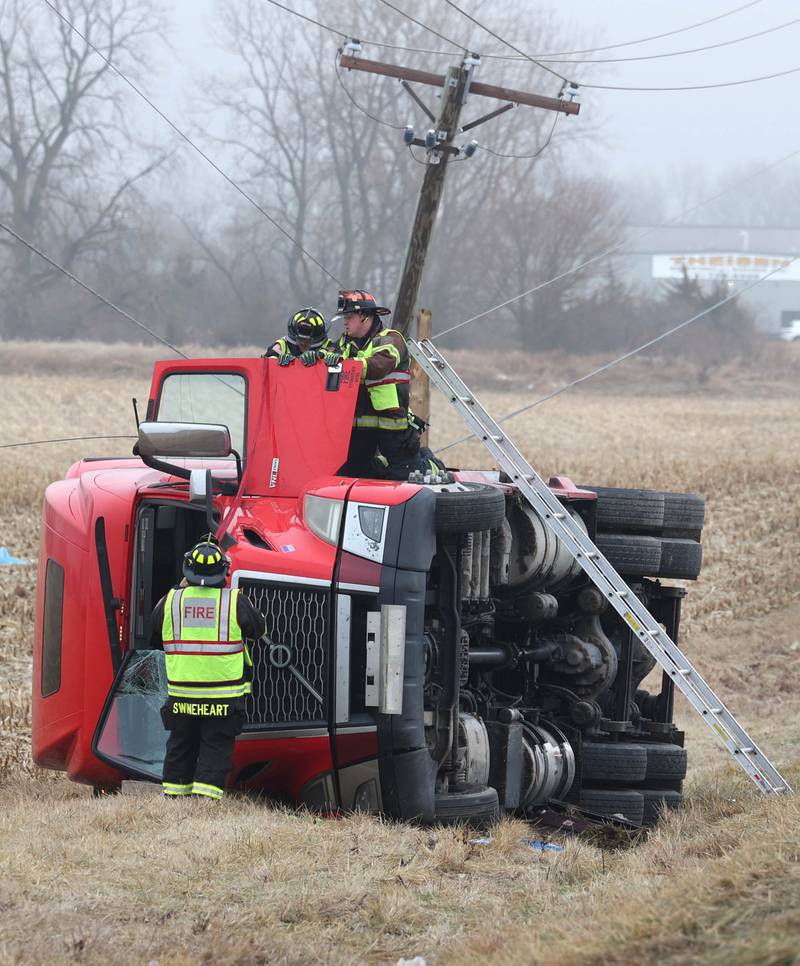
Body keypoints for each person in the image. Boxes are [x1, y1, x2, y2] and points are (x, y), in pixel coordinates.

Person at [150, 539, 266, 801]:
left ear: (186, 572)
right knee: (215, 749)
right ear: (224, 571)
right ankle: (204, 800)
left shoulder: (170, 602)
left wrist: (180, 589)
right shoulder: (234, 602)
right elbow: (259, 630)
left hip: (182, 696)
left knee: (180, 746)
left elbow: (156, 626)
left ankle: (174, 797)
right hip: (223, 698)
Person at [334, 289, 424, 480]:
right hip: (357, 428)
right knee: (353, 474)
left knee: (407, 474)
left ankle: (430, 464)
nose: (345, 321)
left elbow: (378, 366)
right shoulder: (341, 345)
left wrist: (342, 364)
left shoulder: (391, 339)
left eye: (349, 316)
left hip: (392, 425)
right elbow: (323, 361)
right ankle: (380, 466)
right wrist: (315, 358)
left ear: (366, 317)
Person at [264, 307, 332, 366]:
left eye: (307, 341)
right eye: (300, 339)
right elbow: (264, 365)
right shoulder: (282, 345)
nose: (303, 343)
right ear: (294, 335)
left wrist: (319, 356)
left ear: (317, 338)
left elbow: (336, 355)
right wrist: (275, 361)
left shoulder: (328, 345)